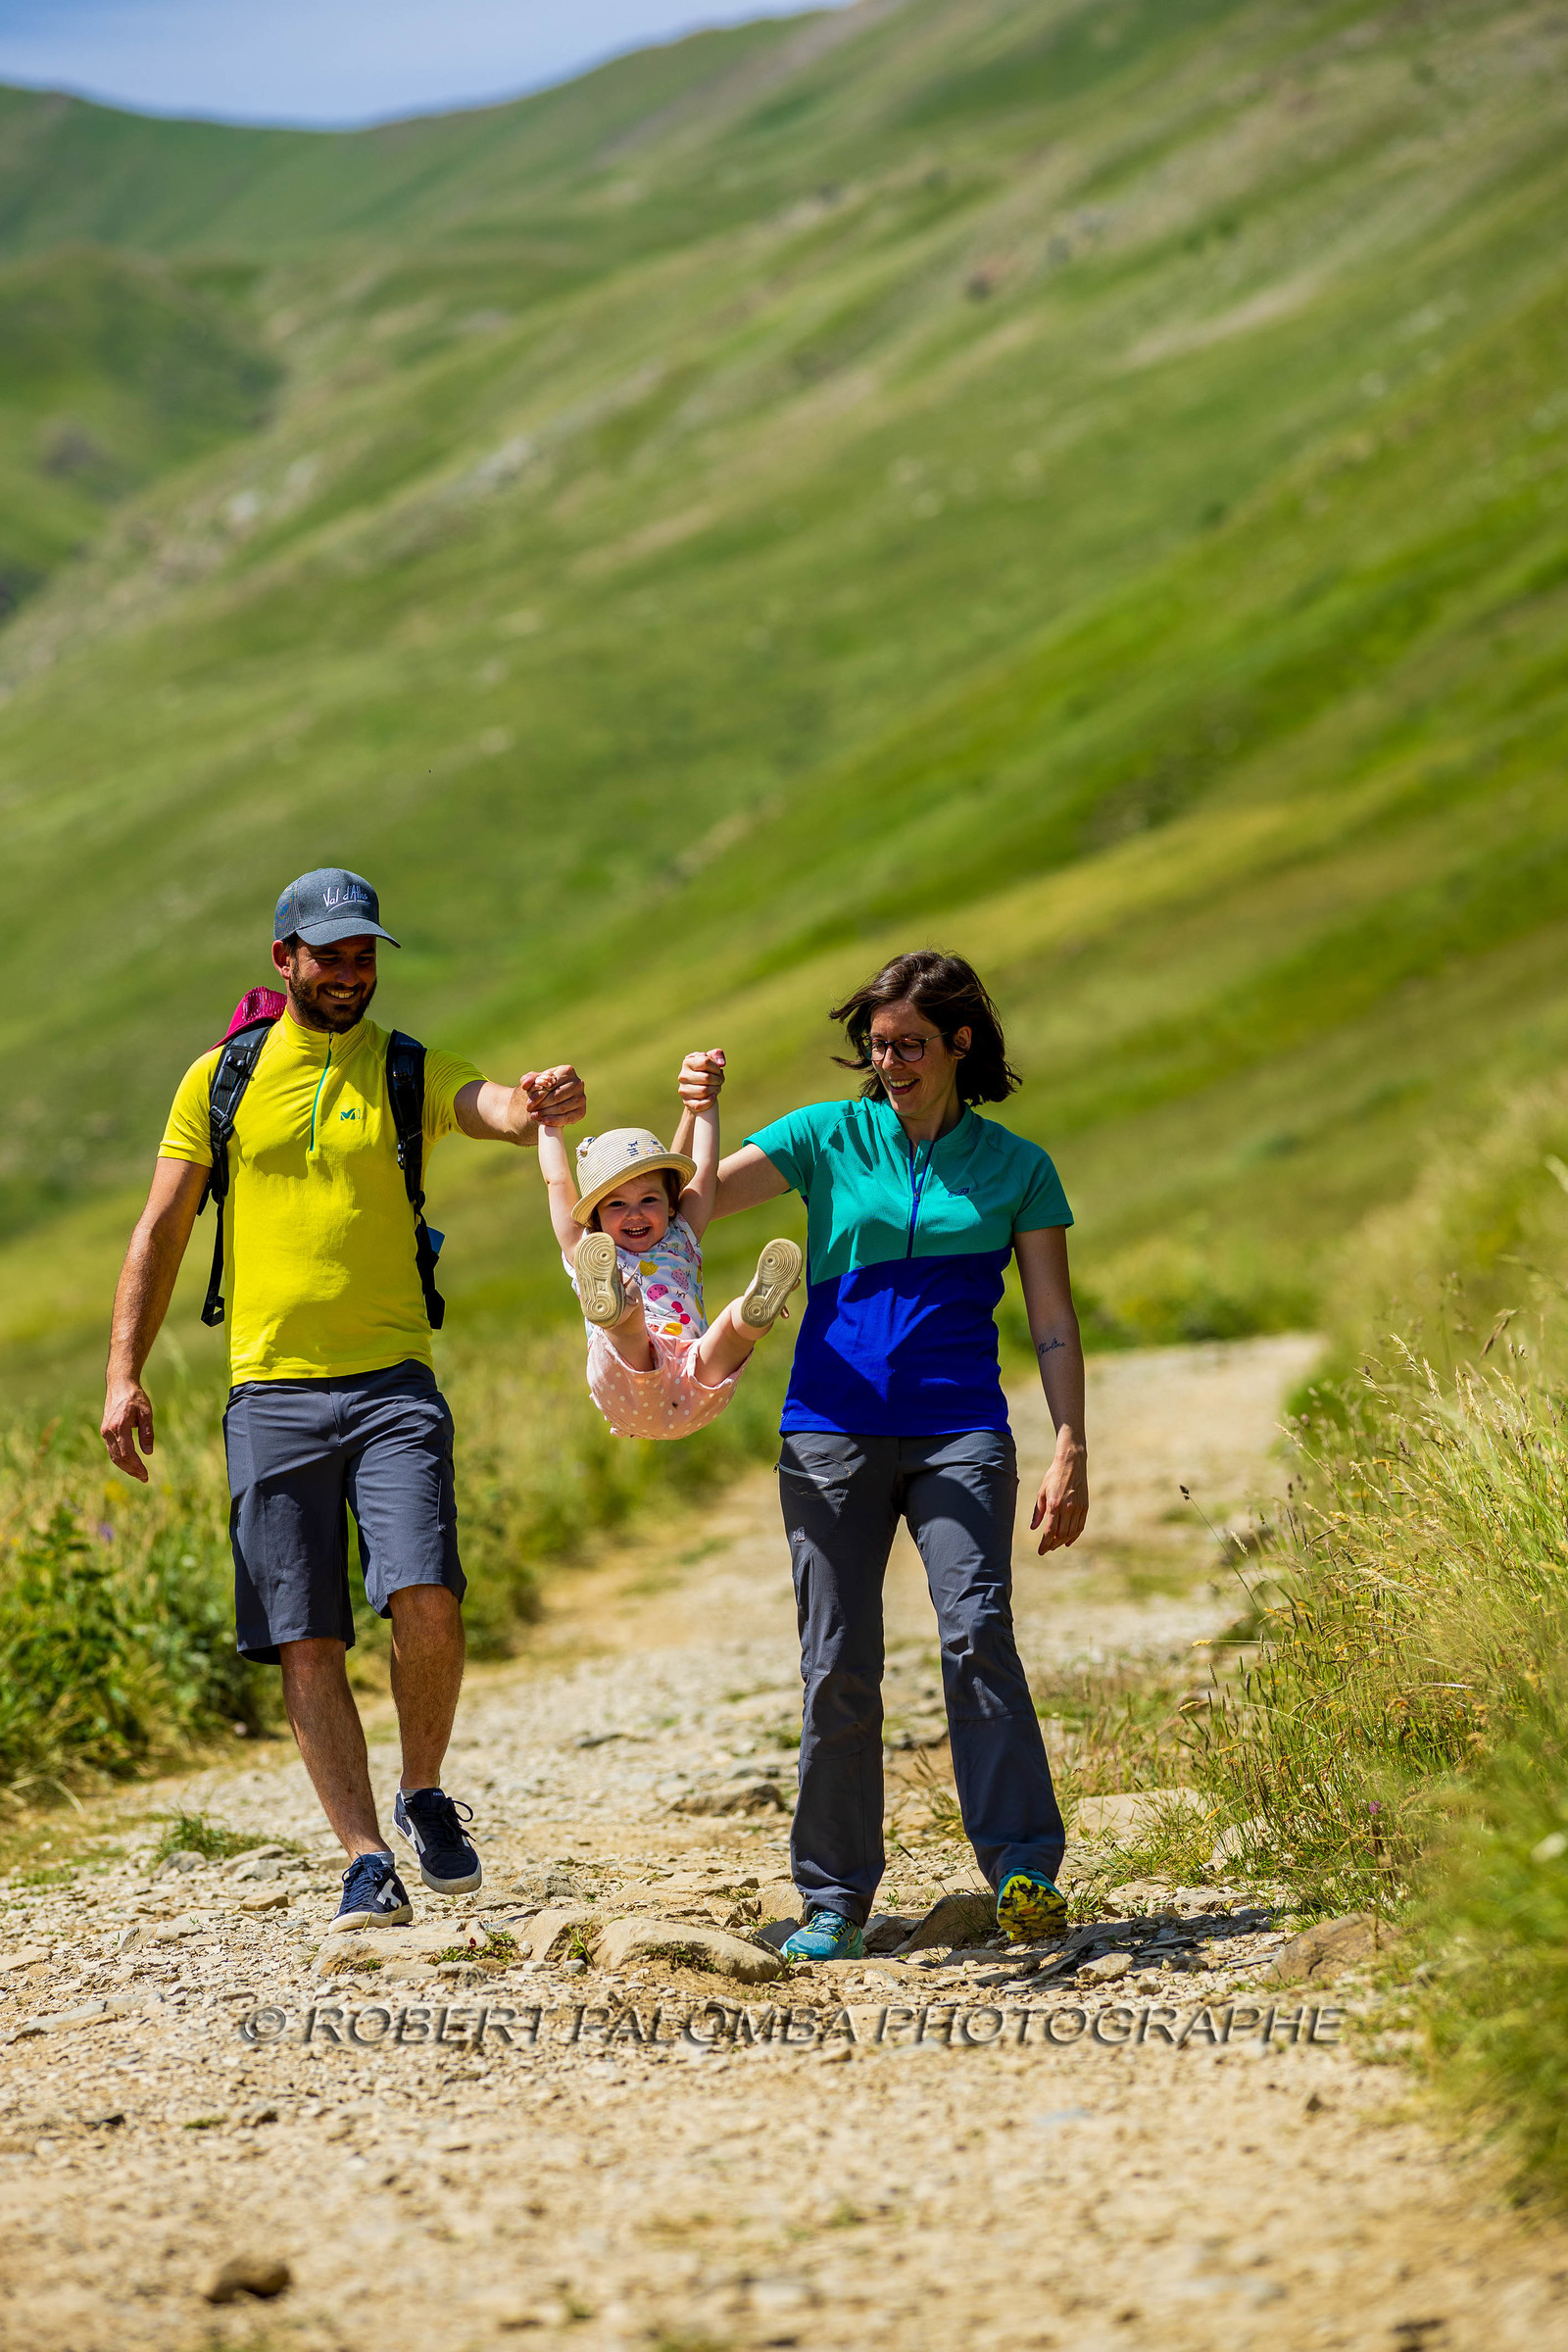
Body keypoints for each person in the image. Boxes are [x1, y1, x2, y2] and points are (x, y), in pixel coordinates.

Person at [100, 868, 585, 1933]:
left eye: (365, 956)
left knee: (426, 1594)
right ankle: (364, 1858)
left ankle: (421, 1791)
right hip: (266, 1389)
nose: (351, 974)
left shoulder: (408, 1067)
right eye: (330, 957)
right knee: (304, 1634)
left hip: (392, 1383)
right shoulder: (218, 1080)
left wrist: (532, 1103)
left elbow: (490, 1106)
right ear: (284, 962)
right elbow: (162, 1229)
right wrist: (122, 1369)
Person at [686, 949, 1089, 1958]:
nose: (891, 1064)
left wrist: (1070, 1444)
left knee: (976, 1634)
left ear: (960, 1043)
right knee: (837, 1664)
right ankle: (832, 1901)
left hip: (960, 1432)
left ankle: (1025, 1869)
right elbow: (692, 1211)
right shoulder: (826, 1136)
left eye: (910, 1045)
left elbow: (1051, 1322)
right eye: (876, 1048)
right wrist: (701, 1109)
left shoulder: (1018, 1168)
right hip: (828, 1428)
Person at [538, 1051, 802, 1440]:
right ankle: (615, 1306)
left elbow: (705, 1168)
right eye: (616, 1205)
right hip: (628, 1384)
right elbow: (558, 1182)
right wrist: (550, 1123)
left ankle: (753, 1308)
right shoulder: (588, 1249)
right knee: (629, 1325)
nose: (636, 1214)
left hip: (694, 1380)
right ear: (593, 1216)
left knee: (729, 1328)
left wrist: (706, 1104)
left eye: (649, 1200)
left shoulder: (682, 1234)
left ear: (669, 1201)